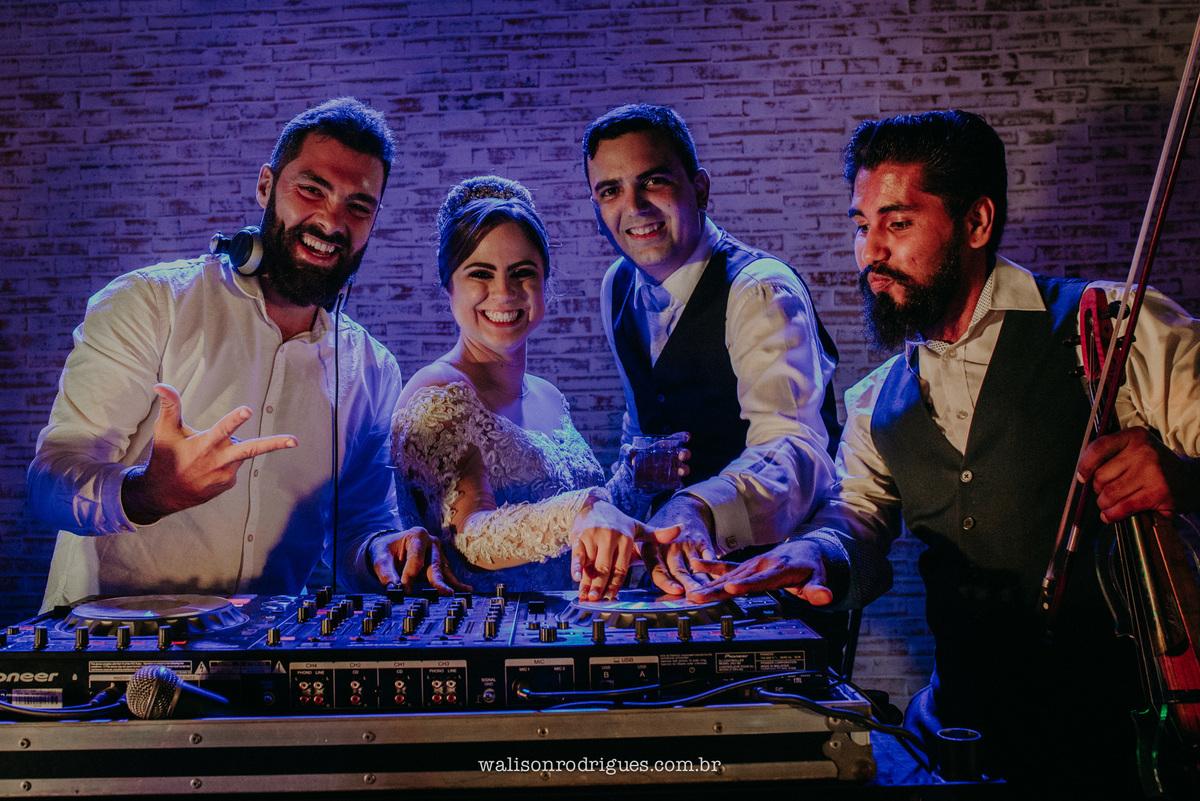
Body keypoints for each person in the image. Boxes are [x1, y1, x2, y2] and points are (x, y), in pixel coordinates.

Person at [691, 110, 1200, 793]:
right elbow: (860, 524)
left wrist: (1182, 479)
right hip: (964, 743)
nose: (870, 250)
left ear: (977, 222)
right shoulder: (877, 400)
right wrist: (816, 553)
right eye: (860, 224)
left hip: (1129, 741)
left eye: (897, 223)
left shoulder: (1111, 327)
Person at [30, 97, 447, 612]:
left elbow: (358, 528)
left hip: (263, 665)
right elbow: (49, 480)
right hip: (110, 656)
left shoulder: (373, 369)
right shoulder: (150, 303)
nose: (332, 221)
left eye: (358, 207)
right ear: (266, 186)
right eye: (311, 189)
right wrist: (145, 494)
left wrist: (385, 551)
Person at [581, 103, 842, 596]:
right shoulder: (616, 286)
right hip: (669, 576)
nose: (633, 207)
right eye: (610, 190)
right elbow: (643, 421)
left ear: (700, 188)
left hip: (770, 579)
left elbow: (795, 448)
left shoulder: (759, 289)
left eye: (653, 181)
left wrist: (701, 505)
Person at [390, 175, 679, 600]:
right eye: (480, 274)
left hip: (570, 630)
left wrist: (634, 484)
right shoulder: (438, 394)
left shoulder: (548, 396)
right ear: (448, 286)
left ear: (544, 281)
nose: (504, 293)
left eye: (522, 273)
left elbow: (578, 528)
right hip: (485, 643)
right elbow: (472, 537)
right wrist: (579, 512)